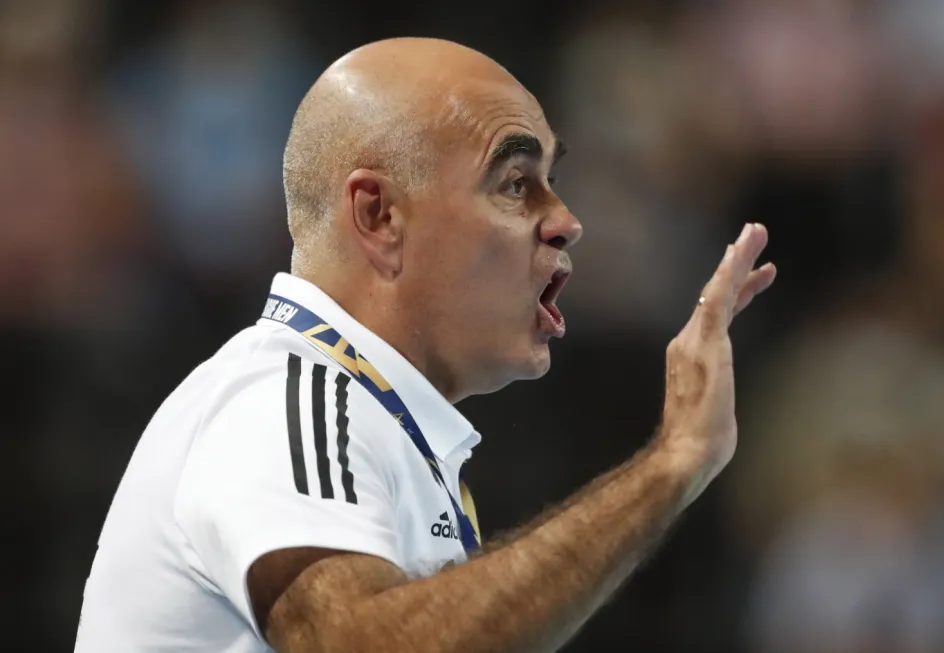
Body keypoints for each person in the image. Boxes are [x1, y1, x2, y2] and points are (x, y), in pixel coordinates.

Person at [75, 37, 776, 652]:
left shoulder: (374, 425)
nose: (565, 221)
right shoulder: (280, 399)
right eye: (513, 183)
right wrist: (669, 463)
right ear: (378, 215)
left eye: (551, 182)